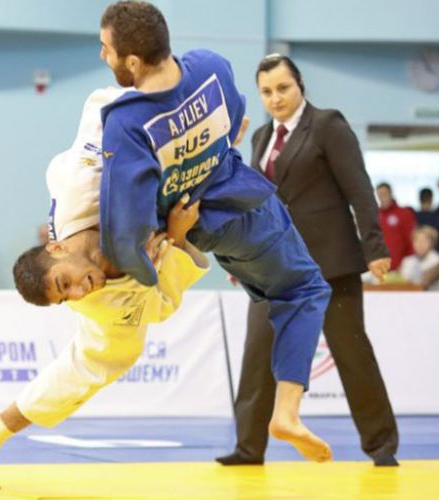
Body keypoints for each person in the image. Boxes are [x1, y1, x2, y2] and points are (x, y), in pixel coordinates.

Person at [98, 1, 333, 464]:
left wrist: (153, 266)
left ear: (131, 61)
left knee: (276, 293)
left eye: (105, 49)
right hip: (250, 208)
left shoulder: (126, 122)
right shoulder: (210, 66)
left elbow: (124, 231)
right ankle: (287, 412)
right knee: (305, 289)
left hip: (205, 232)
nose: (102, 56)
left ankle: (281, 411)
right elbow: (234, 116)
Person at [0, 88, 210, 490]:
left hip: (109, 170)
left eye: (66, 283)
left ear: (56, 246)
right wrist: (176, 241)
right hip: (134, 290)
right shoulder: (99, 302)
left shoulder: (80, 183)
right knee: (107, 356)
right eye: (66, 298)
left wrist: (161, 96)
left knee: (96, 359)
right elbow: (163, 305)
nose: (79, 292)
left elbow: (99, 106)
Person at [215, 54, 398, 467]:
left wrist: (375, 247)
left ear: (300, 86)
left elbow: (359, 189)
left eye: (283, 88)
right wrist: (241, 258)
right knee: (256, 356)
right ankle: (248, 447)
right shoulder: (261, 137)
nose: (276, 98)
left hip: (331, 266)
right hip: (272, 267)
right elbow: (255, 203)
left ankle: (381, 445)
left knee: (352, 356)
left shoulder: (328, 125)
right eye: (267, 91)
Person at [377, 182, 416, 271]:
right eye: (380, 195)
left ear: (391, 194)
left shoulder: (405, 214)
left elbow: (411, 240)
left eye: (385, 194)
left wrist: (408, 263)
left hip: (402, 266)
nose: (382, 198)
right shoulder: (375, 216)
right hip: (381, 268)